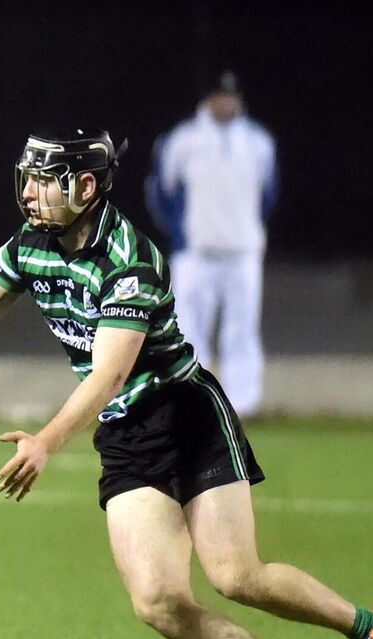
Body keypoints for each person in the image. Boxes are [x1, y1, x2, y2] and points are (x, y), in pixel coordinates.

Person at [0, 128, 373, 639]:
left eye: (43, 182)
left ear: (85, 186)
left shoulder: (130, 260)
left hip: (186, 416)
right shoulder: (29, 244)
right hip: (126, 433)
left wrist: (46, 441)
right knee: (158, 603)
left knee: (237, 576)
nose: (28, 193)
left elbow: (109, 373)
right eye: (25, 179)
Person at [146, 71, 277, 418]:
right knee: (188, 329)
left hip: (243, 253)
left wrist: (246, 230)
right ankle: (193, 402)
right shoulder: (183, 140)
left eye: (231, 96)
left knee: (242, 330)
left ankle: (243, 406)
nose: (226, 102)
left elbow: (267, 194)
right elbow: (160, 191)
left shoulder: (258, 141)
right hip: (196, 254)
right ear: (207, 99)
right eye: (220, 95)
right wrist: (182, 235)